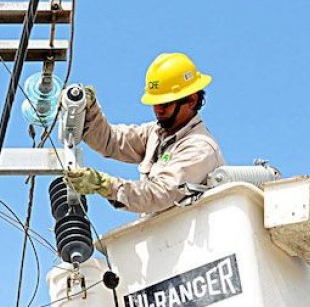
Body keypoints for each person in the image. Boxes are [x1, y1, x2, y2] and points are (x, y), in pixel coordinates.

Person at [65, 52, 225, 214]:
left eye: (165, 104)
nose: (158, 110)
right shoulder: (156, 134)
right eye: (155, 103)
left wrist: (106, 185)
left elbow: (159, 194)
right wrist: (88, 109)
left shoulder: (199, 148)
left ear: (192, 100)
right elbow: (110, 141)